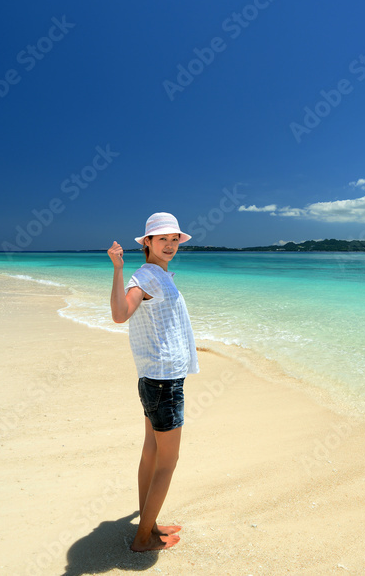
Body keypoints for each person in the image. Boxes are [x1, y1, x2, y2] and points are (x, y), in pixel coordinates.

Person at [108, 212, 198, 552]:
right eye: (163, 239)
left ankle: (150, 522)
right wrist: (117, 270)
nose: (171, 244)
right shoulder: (145, 277)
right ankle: (143, 538)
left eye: (174, 239)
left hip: (155, 378)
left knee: (151, 451)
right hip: (163, 382)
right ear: (147, 243)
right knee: (168, 461)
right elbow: (120, 314)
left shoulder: (158, 275)